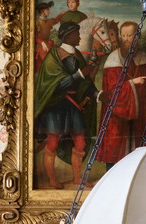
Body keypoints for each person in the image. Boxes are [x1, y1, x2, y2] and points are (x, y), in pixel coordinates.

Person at [33, 19, 98, 188]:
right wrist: (80, 75)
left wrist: (97, 92)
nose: (79, 37)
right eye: (76, 34)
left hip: (73, 106)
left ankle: (77, 178)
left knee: (80, 141)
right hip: (55, 105)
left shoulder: (77, 55)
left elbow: (85, 83)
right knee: (53, 142)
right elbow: (56, 85)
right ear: (67, 36)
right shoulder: (53, 56)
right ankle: (52, 180)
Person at [95, 20, 146, 169]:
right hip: (117, 116)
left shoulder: (143, 58)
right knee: (116, 149)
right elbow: (112, 90)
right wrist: (132, 83)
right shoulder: (113, 59)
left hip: (139, 114)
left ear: (137, 37)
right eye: (123, 35)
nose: (126, 39)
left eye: (130, 35)